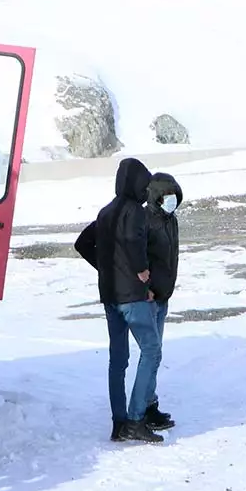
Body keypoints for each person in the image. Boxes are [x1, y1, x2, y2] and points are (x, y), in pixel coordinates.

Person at [74, 157, 164, 443]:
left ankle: (119, 423)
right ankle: (137, 419)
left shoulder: (105, 212)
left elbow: (82, 243)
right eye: (144, 184)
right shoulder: (134, 212)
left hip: (110, 295)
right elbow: (133, 241)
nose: (146, 190)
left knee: (118, 360)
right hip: (131, 298)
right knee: (151, 350)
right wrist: (141, 272)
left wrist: (106, 267)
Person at [141, 172, 184, 431]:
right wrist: (144, 287)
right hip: (148, 298)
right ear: (156, 197)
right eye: (167, 196)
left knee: (155, 355)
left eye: (174, 196)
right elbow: (137, 257)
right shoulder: (145, 220)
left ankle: (149, 404)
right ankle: (143, 409)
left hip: (163, 296)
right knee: (151, 355)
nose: (172, 201)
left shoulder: (171, 220)